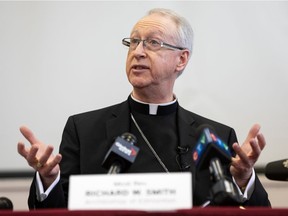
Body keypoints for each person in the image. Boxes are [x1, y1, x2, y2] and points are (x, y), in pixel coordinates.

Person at [17, 8, 270, 209]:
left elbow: (257, 210)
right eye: (134, 42)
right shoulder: (83, 130)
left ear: (181, 59)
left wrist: (244, 179)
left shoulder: (216, 136)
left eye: (152, 43)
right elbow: (55, 211)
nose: (137, 52)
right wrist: (48, 180)